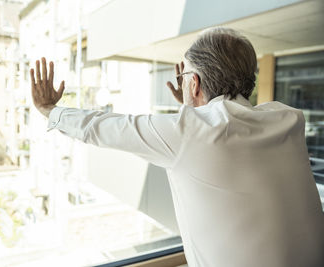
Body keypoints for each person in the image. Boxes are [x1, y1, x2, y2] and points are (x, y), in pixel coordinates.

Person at [31, 27, 324, 267]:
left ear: (194, 83)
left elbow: (104, 127)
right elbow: (215, 130)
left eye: (184, 77)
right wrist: (193, 111)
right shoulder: (287, 118)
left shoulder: (190, 133)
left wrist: (48, 109)